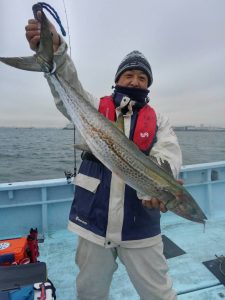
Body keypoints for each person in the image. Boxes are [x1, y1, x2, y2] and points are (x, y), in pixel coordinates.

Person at [25, 12, 182, 300]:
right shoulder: (95, 107)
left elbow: (169, 153)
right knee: (90, 292)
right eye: (129, 75)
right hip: (93, 221)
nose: (135, 81)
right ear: (117, 79)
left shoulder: (158, 120)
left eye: (142, 77)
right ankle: (46, 59)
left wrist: (162, 183)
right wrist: (57, 52)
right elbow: (67, 89)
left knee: (160, 294)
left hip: (141, 228)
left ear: (148, 85)